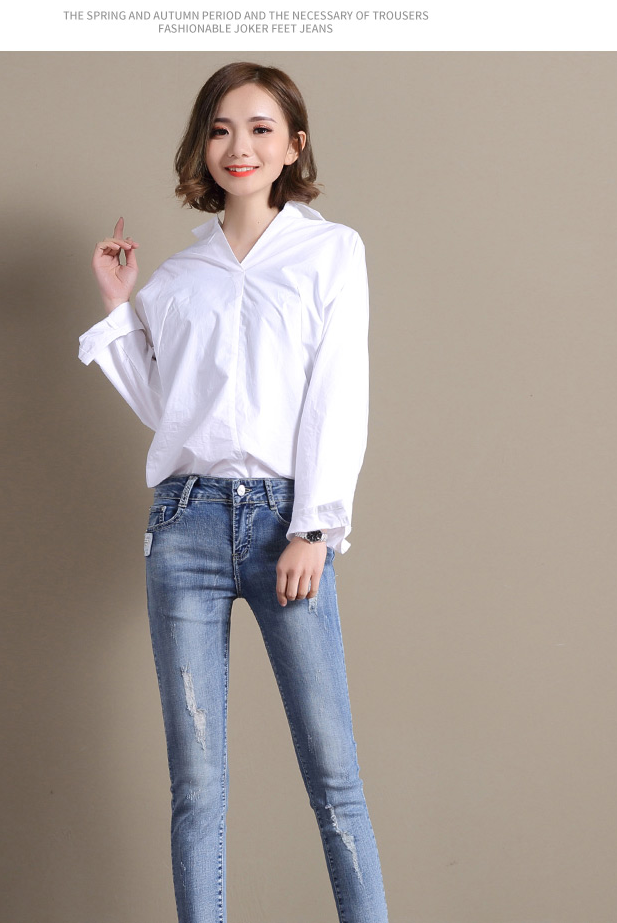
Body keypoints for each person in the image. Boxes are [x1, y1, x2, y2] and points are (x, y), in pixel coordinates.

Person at [78, 62, 388, 923]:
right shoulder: (179, 278)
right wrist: (119, 305)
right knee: (197, 786)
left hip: (285, 521)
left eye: (259, 128)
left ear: (293, 146)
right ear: (202, 146)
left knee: (334, 774)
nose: (238, 146)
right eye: (220, 129)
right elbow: (168, 411)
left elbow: (339, 391)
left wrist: (315, 526)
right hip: (184, 524)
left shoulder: (331, 252)